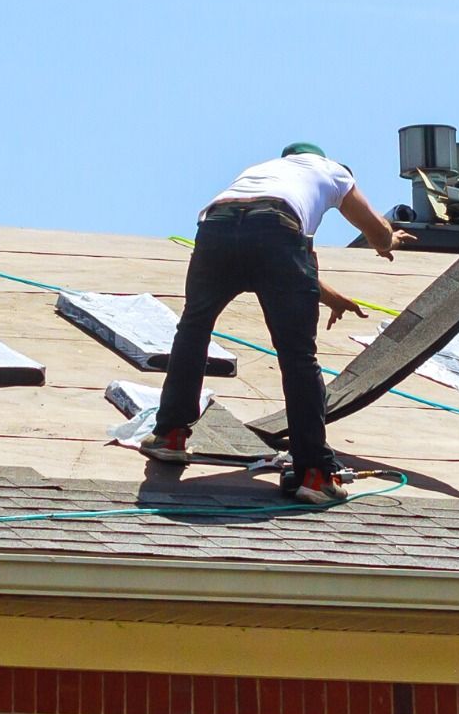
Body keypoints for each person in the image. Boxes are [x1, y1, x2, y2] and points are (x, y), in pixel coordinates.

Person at [131, 142, 413, 503]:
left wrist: (331, 297)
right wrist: (388, 239)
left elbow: (279, 252)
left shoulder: (262, 174)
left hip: (217, 227)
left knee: (193, 329)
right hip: (278, 232)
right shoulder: (332, 170)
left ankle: (170, 436)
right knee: (298, 356)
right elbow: (365, 231)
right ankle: (314, 472)